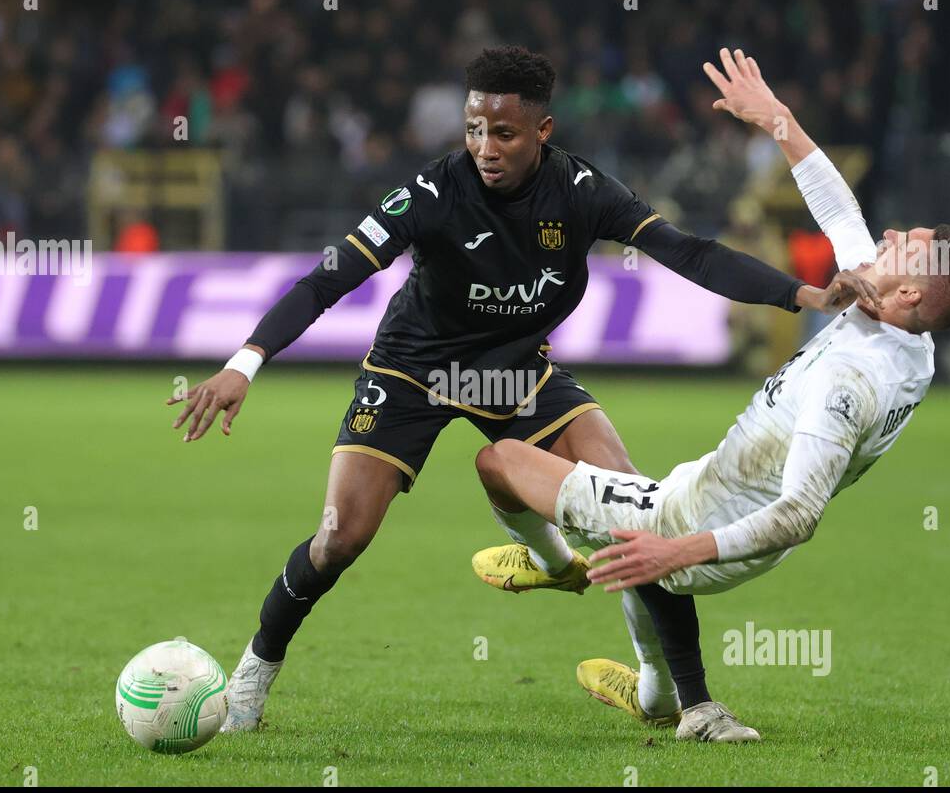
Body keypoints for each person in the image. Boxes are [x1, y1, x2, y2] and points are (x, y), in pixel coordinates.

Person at [168, 45, 869, 734]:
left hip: (515, 371)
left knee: (639, 505)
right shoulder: (431, 194)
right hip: (414, 371)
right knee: (338, 539)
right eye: (474, 129)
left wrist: (799, 292)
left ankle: (694, 704)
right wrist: (244, 362)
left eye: (502, 132)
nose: (485, 146)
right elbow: (330, 277)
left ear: (542, 132)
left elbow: (686, 251)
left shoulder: (583, 191)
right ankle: (253, 676)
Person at [469, 48, 950, 743]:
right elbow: (842, 209)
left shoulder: (851, 381)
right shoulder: (909, 337)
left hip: (701, 523)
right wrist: (775, 117)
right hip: (713, 490)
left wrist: (673, 552)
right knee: (629, 526)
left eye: (906, 244)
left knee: (499, 462)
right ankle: (658, 692)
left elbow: (799, 514)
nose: (888, 236)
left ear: (912, 292)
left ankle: (554, 565)